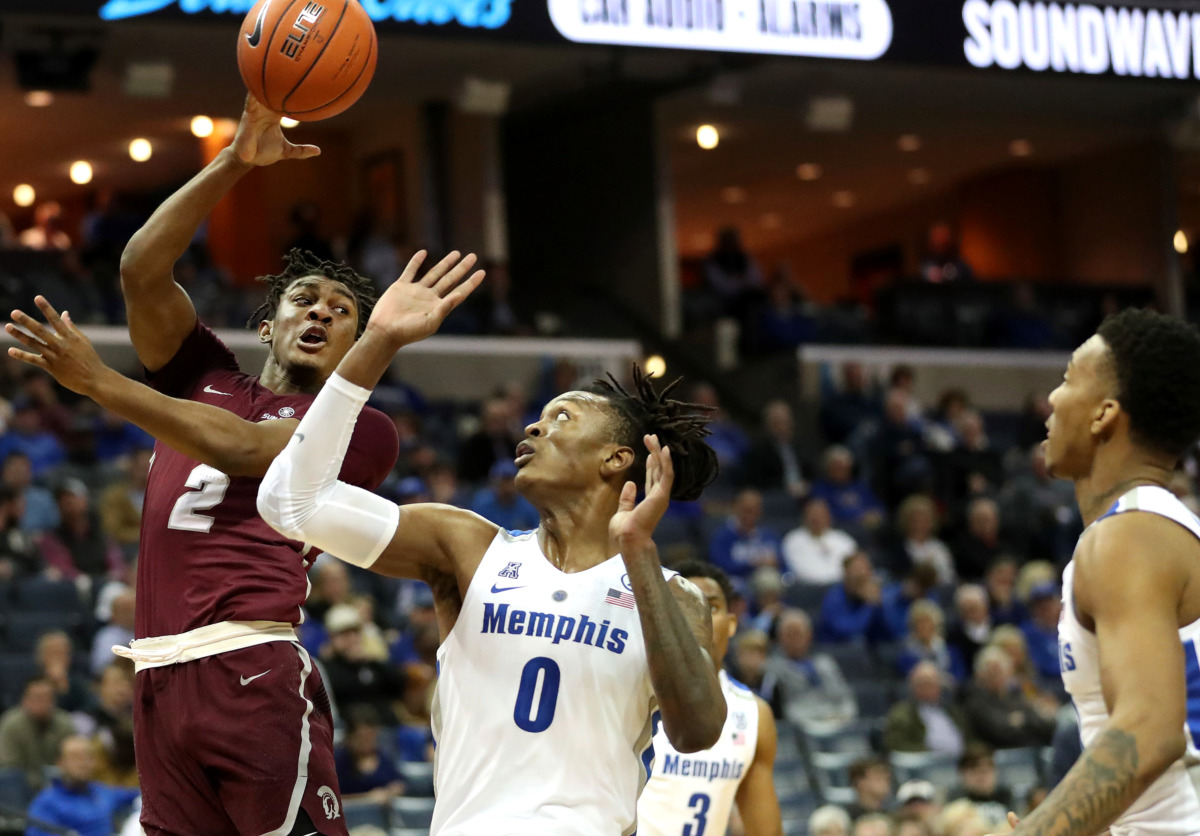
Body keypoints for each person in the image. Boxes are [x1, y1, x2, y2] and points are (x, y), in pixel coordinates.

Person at [18, 262, 727, 833]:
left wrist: (636, 553)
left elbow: (696, 731)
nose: (533, 430)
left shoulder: (673, 594)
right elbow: (288, 502)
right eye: (537, 418)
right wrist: (375, 345)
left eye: (561, 418)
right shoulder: (468, 544)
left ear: (615, 462)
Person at [5, 95, 413, 836]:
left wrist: (101, 383)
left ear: (359, 347)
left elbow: (245, 448)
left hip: (248, 663)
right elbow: (140, 269)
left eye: (341, 311)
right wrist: (233, 162)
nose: (320, 314)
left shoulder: (362, 426)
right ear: (268, 324)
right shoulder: (207, 377)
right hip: (158, 673)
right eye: (304, 300)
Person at [1003, 308, 1200, 835]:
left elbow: (1152, 731)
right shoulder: (1162, 529)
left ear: (1104, 414)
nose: (1052, 398)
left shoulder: (1127, 536)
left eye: (1068, 379)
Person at [637, 560, 781, 836]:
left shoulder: (754, 715)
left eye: (711, 607)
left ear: (731, 624)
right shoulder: (632, 693)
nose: (698, 616)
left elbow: (766, 831)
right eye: (683, 607)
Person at [24, 735, 140, 836]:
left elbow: (138, 795)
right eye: (76, 757)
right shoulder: (46, 803)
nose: (83, 763)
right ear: (60, 762)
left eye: (88, 757)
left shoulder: (102, 791)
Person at [0, 677, 75, 791]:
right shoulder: (11, 725)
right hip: (21, 789)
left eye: (46, 698)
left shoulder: (65, 724)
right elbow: (9, 766)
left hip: (60, 788)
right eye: (36, 697)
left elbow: (71, 761)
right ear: (24, 700)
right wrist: (39, 783)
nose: (41, 702)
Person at [883, 661, 968, 756]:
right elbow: (895, 744)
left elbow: (970, 739)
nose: (928, 688)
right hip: (926, 764)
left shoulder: (954, 712)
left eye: (933, 683)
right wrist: (930, 752)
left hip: (962, 762)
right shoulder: (901, 713)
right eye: (923, 684)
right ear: (913, 687)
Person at [709, 488, 783, 580]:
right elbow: (721, 566)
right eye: (747, 510)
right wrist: (753, 564)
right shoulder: (723, 536)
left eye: (755, 511)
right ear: (736, 508)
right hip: (737, 581)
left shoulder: (769, 535)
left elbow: (782, 563)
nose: (751, 515)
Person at [781, 497, 858, 585]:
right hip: (807, 589)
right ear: (805, 517)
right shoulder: (793, 540)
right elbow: (797, 568)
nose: (816, 518)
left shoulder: (843, 540)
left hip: (841, 587)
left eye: (821, 515)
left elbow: (853, 566)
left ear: (829, 516)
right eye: (813, 515)